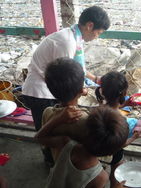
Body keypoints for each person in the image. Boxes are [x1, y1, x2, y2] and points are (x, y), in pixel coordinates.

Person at [22, 6, 110, 166]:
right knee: (48, 131)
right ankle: (52, 163)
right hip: (39, 93)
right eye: (99, 32)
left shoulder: (74, 36)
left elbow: (76, 68)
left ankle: (57, 160)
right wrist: (81, 90)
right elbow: (65, 76)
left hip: (47, 87)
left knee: (53, 126)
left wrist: (94, 78)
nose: (97, 36)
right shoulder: (67, 42)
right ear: (90, 25)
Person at [35, 57, 129, 188]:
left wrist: (59, 119)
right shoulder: (87, 123)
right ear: (82, 90)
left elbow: (40, 138)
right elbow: (107, 150)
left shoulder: (48, 113)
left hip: (61, 166)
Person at [95, 71, 140, 187]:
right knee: (117, 172)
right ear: (124, 93)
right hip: (113, 152)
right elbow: (120, 144)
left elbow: (111, 106)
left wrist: (123, 104)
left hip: (97, 152)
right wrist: (134, 137)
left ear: (103, 91)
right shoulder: (121, 121)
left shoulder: (97, 112)